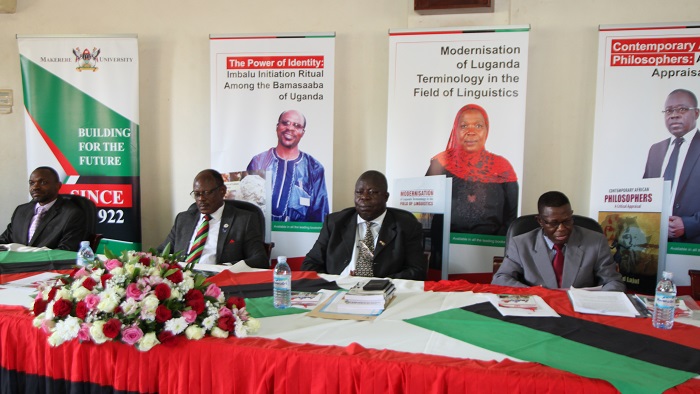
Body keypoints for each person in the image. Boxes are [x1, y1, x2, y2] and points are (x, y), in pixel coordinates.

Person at [302, 170, 427, 280]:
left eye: (372, 192)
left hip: (382, 292)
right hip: (338, 289)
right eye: (359, 192)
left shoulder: (406, 226)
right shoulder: (334, 223)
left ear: (386, 196)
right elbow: (310, 264)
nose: (364, 197)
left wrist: (377, 283)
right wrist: (333, 283)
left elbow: (417, 271)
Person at [492, 191, 625, 291]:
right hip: (538, 309)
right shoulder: (521, 244)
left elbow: (613, 282)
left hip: (580, 313)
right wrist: (535, 293)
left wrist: (599, 301)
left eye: (567, 221)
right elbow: (501, 279)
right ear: (540, 221)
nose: (561, 229)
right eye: (553, 223)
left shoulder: (596, 241)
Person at [426, 104, 518, 235]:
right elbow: (427, 206)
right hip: (446, 246)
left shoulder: (502, 167)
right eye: (464, 126)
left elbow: (511, 217)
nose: (471, 131)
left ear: (487, 130)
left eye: (478, 126)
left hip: (490, 246)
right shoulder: (440, 164)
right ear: (455, 130)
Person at [158, 169, 268, 268]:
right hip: (183, 281)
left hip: (218, 282)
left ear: (222, 191)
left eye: (206, 193)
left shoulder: (244, 220)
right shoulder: (183, 219)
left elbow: (260, 259)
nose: (201, 199)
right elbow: (161, 252)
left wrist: (225, 268)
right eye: (197, 194)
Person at [247, 110, 329, 222]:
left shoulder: (314, 167)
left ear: (302, 132)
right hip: (260, 235)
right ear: (277, 127)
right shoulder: (258, 161)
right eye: (285, 123)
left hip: (299, 236)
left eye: (297, 125)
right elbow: (247, 207)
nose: (290, 128)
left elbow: (320, 215)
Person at [643, 89, 700, 244]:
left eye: (682, 109)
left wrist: (689, 224)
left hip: (694, 245)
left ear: (696, 113)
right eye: (668, 110)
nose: (674, 115)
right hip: (655, 242)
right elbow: (647, 196)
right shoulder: (655, 150)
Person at [0, 166, 86, 251]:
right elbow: (4, 241)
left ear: (58, 186)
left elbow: (66, 250)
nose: (35, 187)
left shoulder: (71, 214)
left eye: (43, 182)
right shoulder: (21, 210)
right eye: (32, 183)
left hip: (46, 264)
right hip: (14, 263)